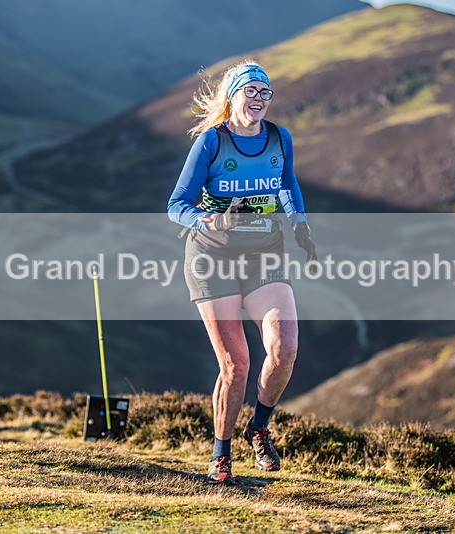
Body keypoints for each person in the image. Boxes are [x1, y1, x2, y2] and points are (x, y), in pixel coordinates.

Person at [167, 60, 316, 485]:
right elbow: (177, 205)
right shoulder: (213, 142)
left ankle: (260, 428)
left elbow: (287, 184)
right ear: (232, 97)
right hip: (212, 258)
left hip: (264, 253)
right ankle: (221, 453)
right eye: (250, 91)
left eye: (265, 93)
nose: (258, 99)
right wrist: (209, 220)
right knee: (237, 364)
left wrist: (300, 224)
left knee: (285, 348)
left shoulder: (279, 138)